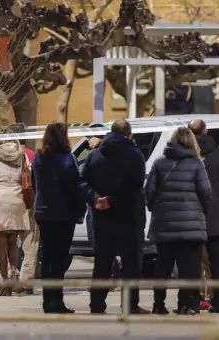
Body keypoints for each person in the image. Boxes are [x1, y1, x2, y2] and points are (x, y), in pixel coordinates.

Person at [82, 119, 149, 315]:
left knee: (102, 262)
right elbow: (135, 185)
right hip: (128, 216)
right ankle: (129, 305)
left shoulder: (94, 155)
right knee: (130, 264)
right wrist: (113, 200)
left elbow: (83, 181)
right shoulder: (135, 155)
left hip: (102, 217)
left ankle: (97, 304)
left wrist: (96, 199)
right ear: (130, 134)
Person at [145, 127, 212, 315]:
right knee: (189, 267)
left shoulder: (159, 164)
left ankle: (158, 304)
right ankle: (187, 304)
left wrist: (156, 208)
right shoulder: (197, 164)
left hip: (164, 223)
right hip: (191, 225)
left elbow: (148, 192)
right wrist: (201, 212)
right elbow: (206, 192)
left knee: (163, 265)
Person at [32, 122, 86, 313]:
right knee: (60, 259)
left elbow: (34, 184)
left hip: (44, 213)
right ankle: (57, 301)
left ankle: (48, 301)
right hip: (63, 214)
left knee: (47, 258)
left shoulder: (38, 158)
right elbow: (74, 187)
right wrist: (81, 209)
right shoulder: (67, 159)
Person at [189, 119, 219, 313]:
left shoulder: (188, 157)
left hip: (192, 217)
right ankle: (217, 301)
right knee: (216, 264)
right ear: (206, 132)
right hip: (216, 217)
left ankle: (193, 300)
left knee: (193, 261)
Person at [0, 139, 30, 296]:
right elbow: (26, 176)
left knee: (0, 243)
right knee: (13, 242)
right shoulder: (21, 155)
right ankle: (14, 273)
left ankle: (5, 283)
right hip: (17, 199)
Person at [5, 123, 39, 295]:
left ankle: (9, 281)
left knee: (9, 244)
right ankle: (26, 283)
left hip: (9, 205)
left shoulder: (3, 156)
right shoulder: (34, 156)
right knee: (30, 246)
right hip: (29, 204)